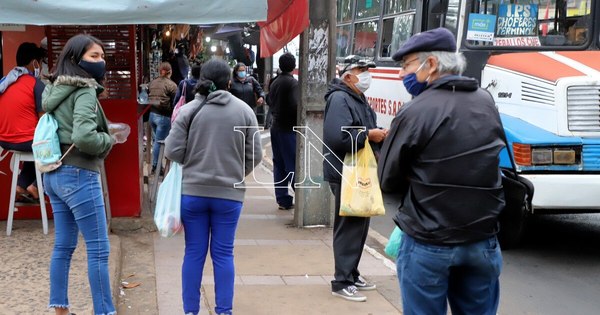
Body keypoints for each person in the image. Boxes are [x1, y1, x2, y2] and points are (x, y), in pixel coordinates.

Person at [378, 27, 504, 315]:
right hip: (482, 240)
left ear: (431, 64)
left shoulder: (415, 111)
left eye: (406, 65)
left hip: (429, 242)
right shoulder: (486, 102)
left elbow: (387, 178)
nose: (401, 74)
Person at [165, 59, 262, 315]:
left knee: (194, 252)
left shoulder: (189, 110)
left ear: (201, 80)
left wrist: (194, 162)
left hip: (192, 194)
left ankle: (190, 311)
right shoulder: (244, 111)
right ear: (228, 81)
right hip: (229, 196)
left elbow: (173, 150)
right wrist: (237, 173)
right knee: (223, 254)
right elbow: (256, 155)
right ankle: (223, 310)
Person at [42, 34, 116, 315]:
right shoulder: (85, 90)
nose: (101, 61)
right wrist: (108, 141)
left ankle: (60, 310)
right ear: (76, 60)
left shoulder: (54, 90)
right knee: (98, 249)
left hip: (55, 174)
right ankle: (105, 311)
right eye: (94, 56)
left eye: (102, 56)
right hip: (79, 175)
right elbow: (84, 136)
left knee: (63, 247)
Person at [322, 55, 388, 302]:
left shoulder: (356, 97)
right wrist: (369, 135)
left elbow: (361, 127)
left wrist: (377, 132)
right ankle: (341, 281)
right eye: (362, 70)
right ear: (348, 75)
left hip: (358, 171)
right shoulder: (340, 98)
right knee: (349, 227)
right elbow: (337, 137)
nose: (367, 75)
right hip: (345, 171)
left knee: (360, 226)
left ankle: (351, 272)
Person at [0, 42, 46, 202]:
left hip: (4, 140)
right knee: (55, 145)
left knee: (34, 145)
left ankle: (21, 185)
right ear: (35, 62)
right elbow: (44, 119)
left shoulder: (6, 81)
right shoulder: (36, 84)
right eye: (40, 62)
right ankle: (37, 185)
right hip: (25, 140)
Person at [268, 53, 298, 210]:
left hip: (276, 127)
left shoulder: (275, 82)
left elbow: (269, 100)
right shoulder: (293, 83)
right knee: (292, 164)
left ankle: (283, 198)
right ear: (293, 66)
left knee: (279, 164)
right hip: (288, 129)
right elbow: (295, 106)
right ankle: (300, 196)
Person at [148, 62, 178, 173]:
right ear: (170, 72)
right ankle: (156, 166)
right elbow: (175, 103)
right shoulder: (172, 85)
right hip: (164, 117)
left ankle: (156, 165)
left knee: (156, 140)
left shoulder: (152, 83)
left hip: (152, 114)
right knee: (159, 143)